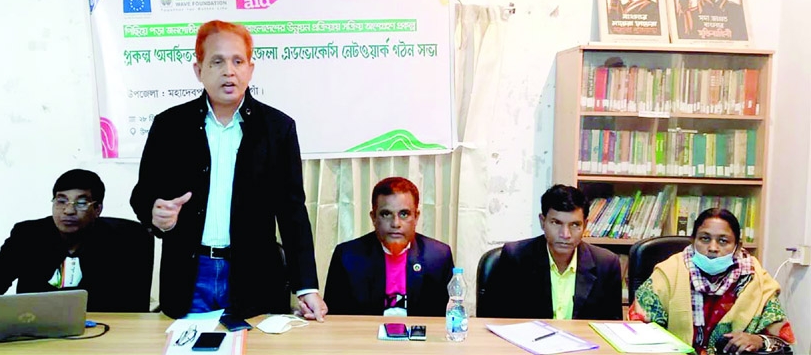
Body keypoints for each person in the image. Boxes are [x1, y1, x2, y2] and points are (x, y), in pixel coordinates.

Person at [130, 20, 326, 320]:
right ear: (199, 70)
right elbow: (143, 194)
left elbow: (292, 212)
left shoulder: (277, 129)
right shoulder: (169, 126)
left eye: (238, 61)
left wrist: (306, 286)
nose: (229, 71)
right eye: (217, 61)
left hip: (255, 275)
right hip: (189, 274)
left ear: (250, 68)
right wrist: (154, 212)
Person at [0, 169, 153, 312]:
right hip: (36, 330)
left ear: (97, 209)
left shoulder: (123, 241)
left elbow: (131, 305)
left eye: (80, 203)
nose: (68, 211)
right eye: (61, 201)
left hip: (103, 332)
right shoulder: (28, 236)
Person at [629, 208, 795, 354]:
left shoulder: (756, 280)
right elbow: (638, 330)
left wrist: (759, 340)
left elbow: (783, 343)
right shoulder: (668, 273)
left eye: (723, 241)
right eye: (705, 239)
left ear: (737, 246)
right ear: (693, 241)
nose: (713, 248)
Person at [482, 184, 622, 320]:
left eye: (575, 225)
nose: (565, 234)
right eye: (556, 223)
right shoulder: (516, 257)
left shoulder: (606, 264)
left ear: (585, 226)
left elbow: (611, 327)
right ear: (543, 222)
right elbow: (495, 320)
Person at [323, 177, 454, 316]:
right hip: (363, 335)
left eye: (404, 214)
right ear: (373, 218)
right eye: (386, 214)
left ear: (416, 217)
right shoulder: (347, 256)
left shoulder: (438, 256)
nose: (395, 223)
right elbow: (334, 318)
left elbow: (446, 318)